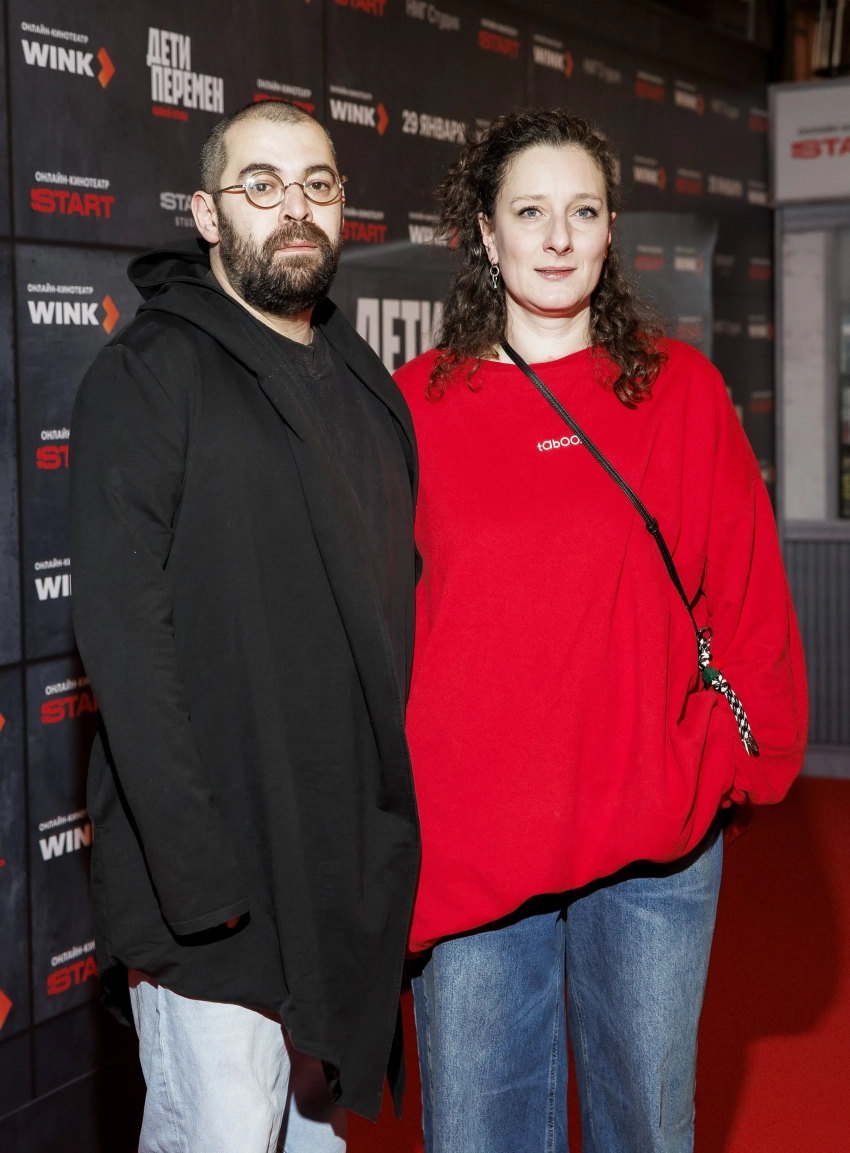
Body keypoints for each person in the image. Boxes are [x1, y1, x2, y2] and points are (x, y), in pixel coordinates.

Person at [394, 109, 807, 1153]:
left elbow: (748, 604)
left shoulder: (681, 393)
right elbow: (379, 628)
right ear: (484, 233)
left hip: (651, 843)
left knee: (647, 1133)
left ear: (611, 229)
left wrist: (717, 761)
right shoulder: (413, 408)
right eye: (529, 211)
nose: (556, 237)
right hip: (476, 852)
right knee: (478, 1136)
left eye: (582, 211)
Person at [70, 100, 420, 1153]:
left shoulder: (364, 381)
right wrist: (200, 882)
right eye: (260, 185)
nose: (293, 207)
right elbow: (125, 644)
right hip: (215, 897)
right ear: (206, 214)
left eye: (317, 184)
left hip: (333, 886)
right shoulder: (148, 372)